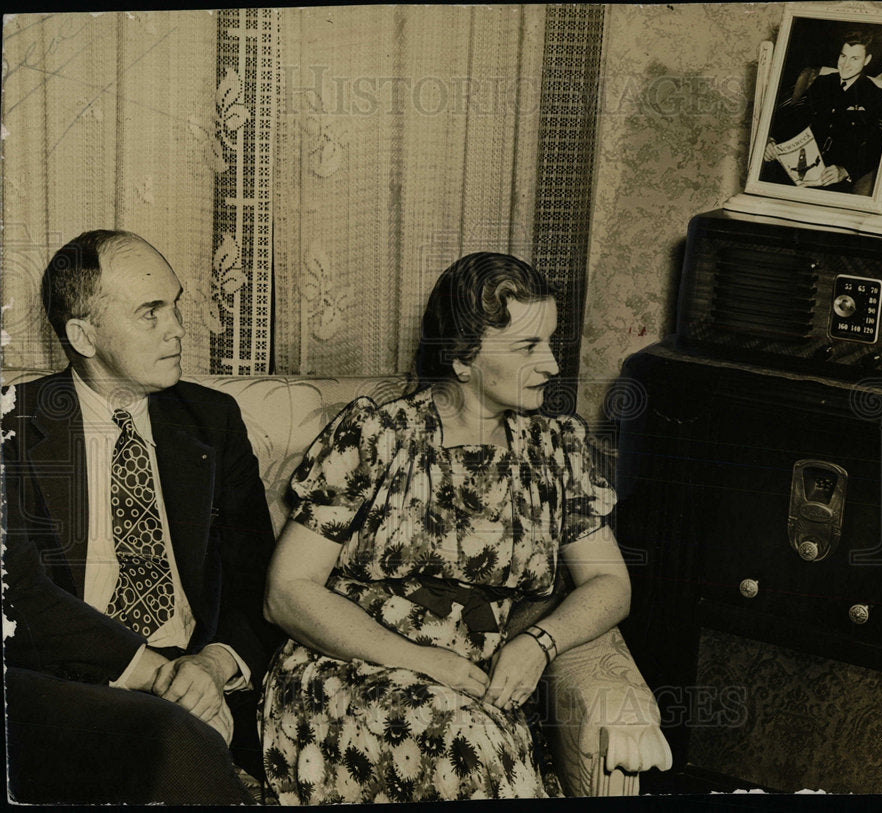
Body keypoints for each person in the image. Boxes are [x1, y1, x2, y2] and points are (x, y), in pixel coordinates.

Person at [259, 252, 631, 803]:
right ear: (462, 359)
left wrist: (539, 642)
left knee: (472, 739)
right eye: (528, 347)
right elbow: (286, 594)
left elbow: (612, 584)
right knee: (468, 743)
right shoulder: (376, 436)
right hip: (347, 678)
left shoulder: (556, 449)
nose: (552, 365)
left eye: (549, 342)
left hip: (474, 693)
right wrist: (429, 663)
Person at [2, 230, 280, 803]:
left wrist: (212, 667)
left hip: (197, 671)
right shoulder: (15, 427)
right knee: (170, 739)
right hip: (73, 676)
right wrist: (156, 676)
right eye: (150, 313)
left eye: (175, 305)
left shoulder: (212, 420)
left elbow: (257, 576)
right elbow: (17, 590)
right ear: (84, 335)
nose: (178, 329)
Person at [763, 31, 882, 194]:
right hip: (796, 168)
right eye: (843, 56)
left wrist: (846, 171)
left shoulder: (875, 96)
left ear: (867, 60)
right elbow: (794, 116)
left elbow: (877, 145)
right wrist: (773, 141)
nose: (846, 64)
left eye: (855, 59)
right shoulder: (822, 83)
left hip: (832, 180)